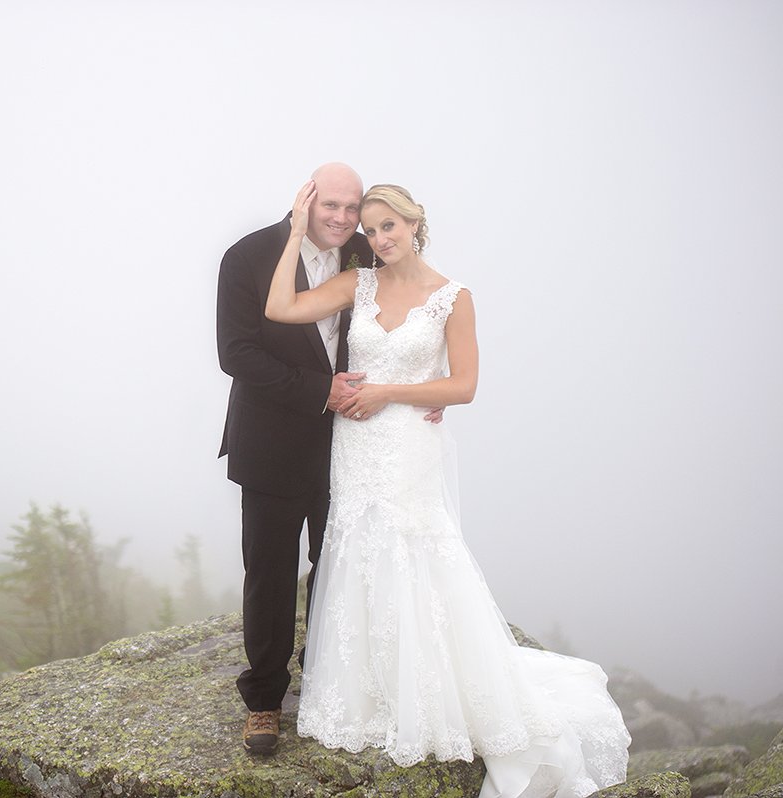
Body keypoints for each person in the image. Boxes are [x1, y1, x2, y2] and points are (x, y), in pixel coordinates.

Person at [264, 182, 631, 797]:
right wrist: (297, 232)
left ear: (415, 224)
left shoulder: (452, 298)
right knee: (356, 547)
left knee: (414, 548)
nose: (380, 239)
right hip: (355, 449)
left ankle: (430, 693)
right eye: (371, 229)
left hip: (408, 442)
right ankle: (369, 690)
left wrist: (385, 392)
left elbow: (463, 387)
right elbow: (279, 308)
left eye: (390, 226)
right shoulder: (359, 284)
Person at [216, 163, 442, 755]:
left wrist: (424, 383)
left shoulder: (366, 261)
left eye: (352, 209)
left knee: (338, 565)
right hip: (269, 444)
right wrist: (320, 391)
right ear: (306, 201)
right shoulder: (246, 257)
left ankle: (324, 683)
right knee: (268, 573)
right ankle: (264, 700)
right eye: (330, 206)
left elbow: (411, 315)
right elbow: (236, 353)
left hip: (351, 444)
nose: (343, 220)